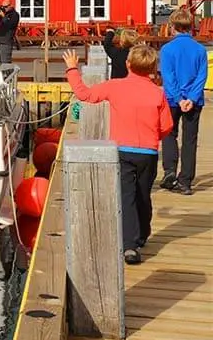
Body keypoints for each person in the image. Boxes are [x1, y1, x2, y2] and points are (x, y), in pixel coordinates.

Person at [63, 46, 173, 265]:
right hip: (148, 152)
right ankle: (142, 234)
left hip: (121, 151)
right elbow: (167, 127)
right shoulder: (158, 93)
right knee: (143, 194)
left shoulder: (116, 87)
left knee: (126, 196)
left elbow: (84, 94)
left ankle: (130, 246)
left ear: (128, 65)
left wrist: (72, 69)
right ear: (153, 68)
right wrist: (153, 134)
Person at [159, 8, 207, 196]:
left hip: (172, 99)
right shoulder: (200, 49)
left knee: (169, 134)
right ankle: (185, 180)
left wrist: (179, 99)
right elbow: (202, 76)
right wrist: (192, 98)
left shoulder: (167, 49)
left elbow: (168, 78)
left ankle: (170, 170)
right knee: (190, 140)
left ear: (173, 27)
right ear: (190, 27)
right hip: (194, 101)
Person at [0, 0, 20, 65]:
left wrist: (4, 17)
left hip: (6, 42)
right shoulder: (1, 15)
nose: (4, 8)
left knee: (5, 63)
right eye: (2, 6)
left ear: (11, 5)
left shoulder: (15, 15)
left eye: (6, 7)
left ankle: (6, 75)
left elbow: (10, 25)